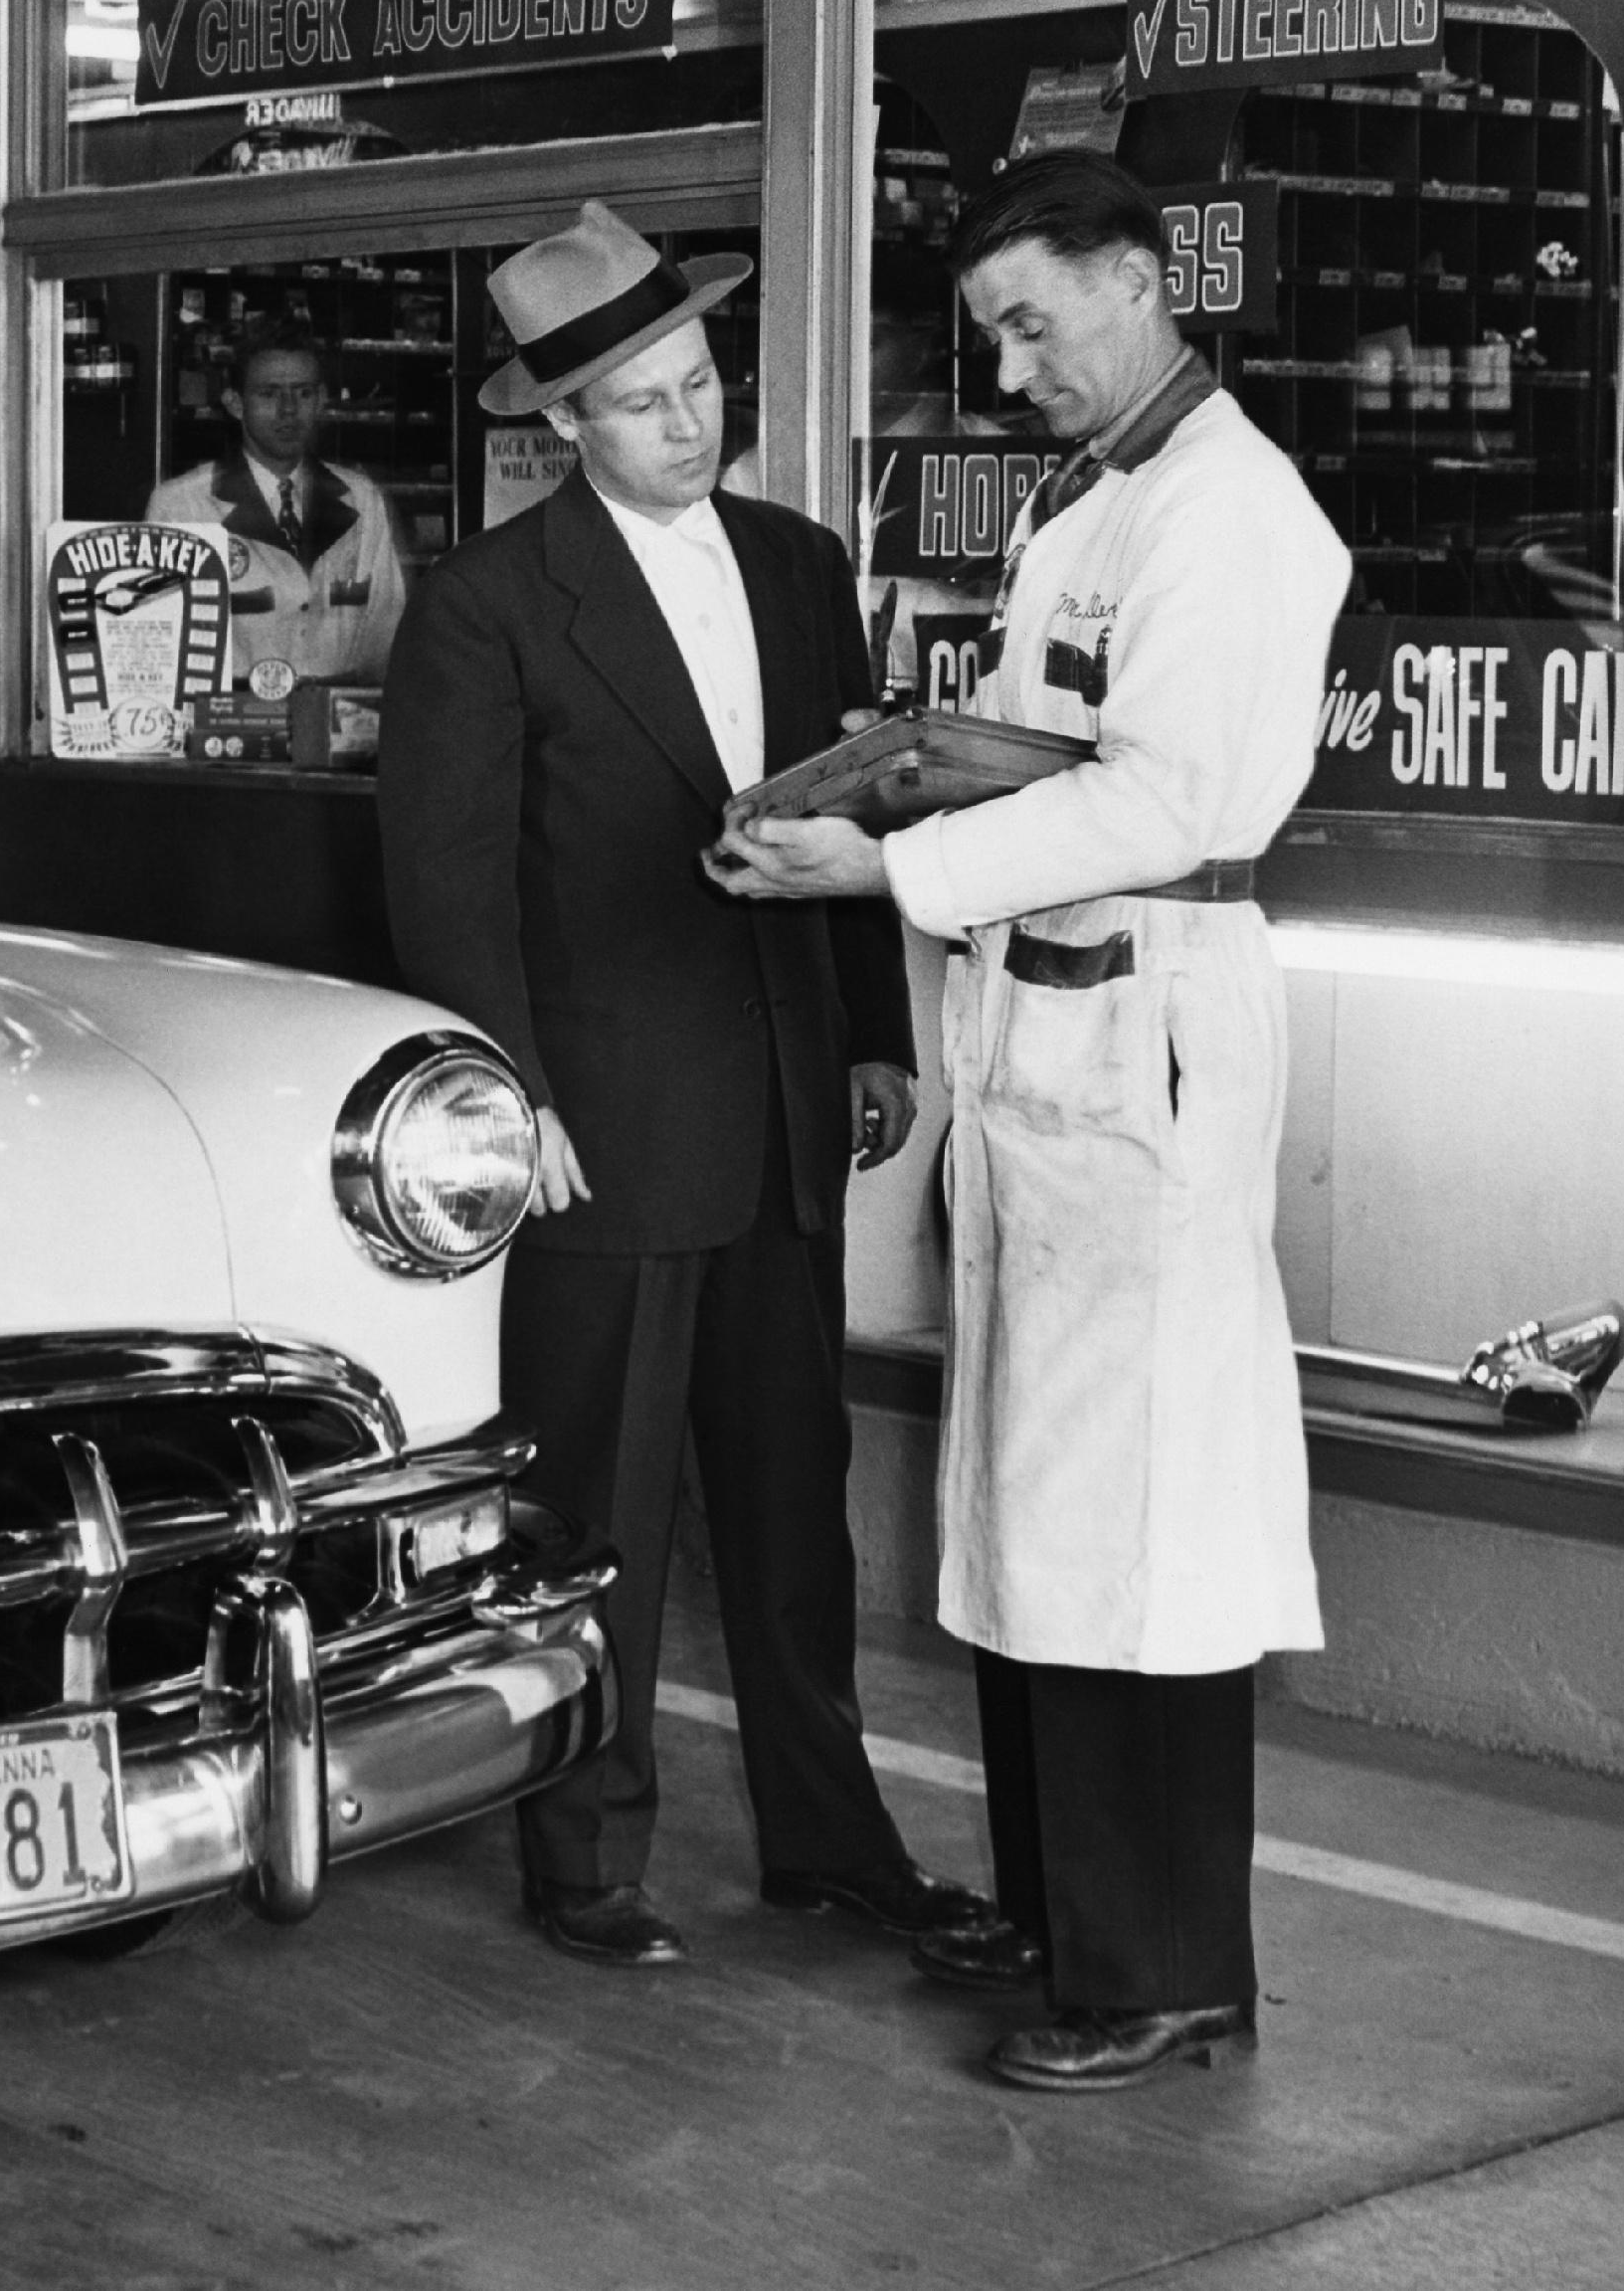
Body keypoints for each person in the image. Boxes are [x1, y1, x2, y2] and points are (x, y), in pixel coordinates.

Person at [709, 147, 1353, 2094]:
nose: (1008, 369)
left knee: (1139, 1527)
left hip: (1138, 1040)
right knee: (1038, 1516)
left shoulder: (1228, 516)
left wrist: (884, 866)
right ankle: (1071, 1918)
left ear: (1144, 280)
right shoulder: (1107, 504)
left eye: (1030, 322)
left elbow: (1159, 803)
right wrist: (919, 776)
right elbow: (1059, 752)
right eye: (985, 332)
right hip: (1052, 1041)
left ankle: (1157, 1969)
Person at [381, 197, 989, 1973]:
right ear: (560, 425)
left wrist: (871, 1030)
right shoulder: (486, 607)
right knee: (605, 1517)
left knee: (792, 1515)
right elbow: (447, 882)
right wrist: (512, 1100)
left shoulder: (800, 565)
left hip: (790, 1108)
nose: (686, 419)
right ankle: (584, 1856)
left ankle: (831, 1840)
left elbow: (859, 801)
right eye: (641, 401)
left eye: (700, 380)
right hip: (604, 1127)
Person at [146, 318, 410, 688]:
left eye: (302, 393)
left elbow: (387, 632)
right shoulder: (181, 505)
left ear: (320, 399)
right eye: (269, 394)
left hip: (337, 726)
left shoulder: (361, 499)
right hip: (229, 726)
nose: (288, 410)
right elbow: (161, 643)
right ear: (235, 403)